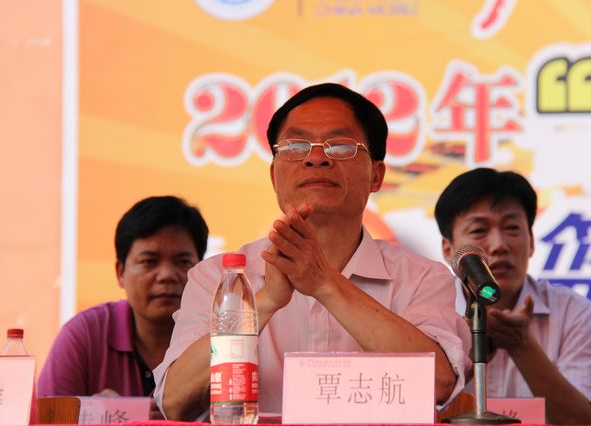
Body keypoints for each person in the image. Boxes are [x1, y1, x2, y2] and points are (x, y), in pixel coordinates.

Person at [154, 83, 471, 420]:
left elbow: (438, 383)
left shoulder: (421, 278)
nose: (316, 157)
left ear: (376, 176)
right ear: (274, 175)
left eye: (340, 146)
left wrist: (325, 283)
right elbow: (175, 402)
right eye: (296, 146)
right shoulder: (220, 278)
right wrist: (264, 302)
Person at [434, 168, 591, 424]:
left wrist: (522, 345)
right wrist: (469, 352)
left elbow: (582, 421)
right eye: (479, 230)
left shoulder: (574, 313)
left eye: (512, 228)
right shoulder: (427, 307)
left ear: (532, 242)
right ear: (448, 249)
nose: (499, 245)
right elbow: (408, 408)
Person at [38, 196, 209, 419]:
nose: (167, 275)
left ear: (203, 272)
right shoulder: (84, 335)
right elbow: (47, 419)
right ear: (120, 272)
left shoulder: (223, 339)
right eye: (149, 261)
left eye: (183, 262)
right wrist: (94, 416)